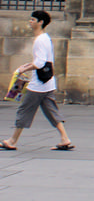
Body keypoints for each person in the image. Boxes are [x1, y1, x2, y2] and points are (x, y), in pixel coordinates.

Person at [2, 11, 73, 151]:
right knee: (51, 110)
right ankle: (65, 138)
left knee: (24, 110)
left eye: (33, 19)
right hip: (48, 82)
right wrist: (27, 66)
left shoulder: (40, 40)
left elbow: (39, 63)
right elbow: (42, 61)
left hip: (38, 85)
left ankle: (12, 140)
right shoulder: (45, 38)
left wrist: (23, 69)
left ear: (40, 22)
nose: (30, 21)